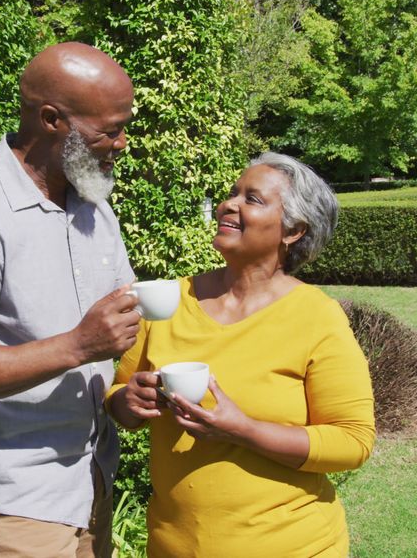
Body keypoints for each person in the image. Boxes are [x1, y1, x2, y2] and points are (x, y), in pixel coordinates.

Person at [0, 42, 141, 558]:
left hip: (92, 469)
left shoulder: (92, 204)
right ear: (51, 119)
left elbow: (120, 323)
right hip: (21, 491)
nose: (122, 143)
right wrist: (79, 345)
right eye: (108, 130)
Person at [108, 152, 376, 557]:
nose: (228, 204)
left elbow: (352, 441)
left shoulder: (316, 317)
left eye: (252, 199)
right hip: (174, 547)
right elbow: (118, 395)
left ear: (294, 231)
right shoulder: (170, 300)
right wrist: (130, 401)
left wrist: (243, 430)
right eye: (233, 193)